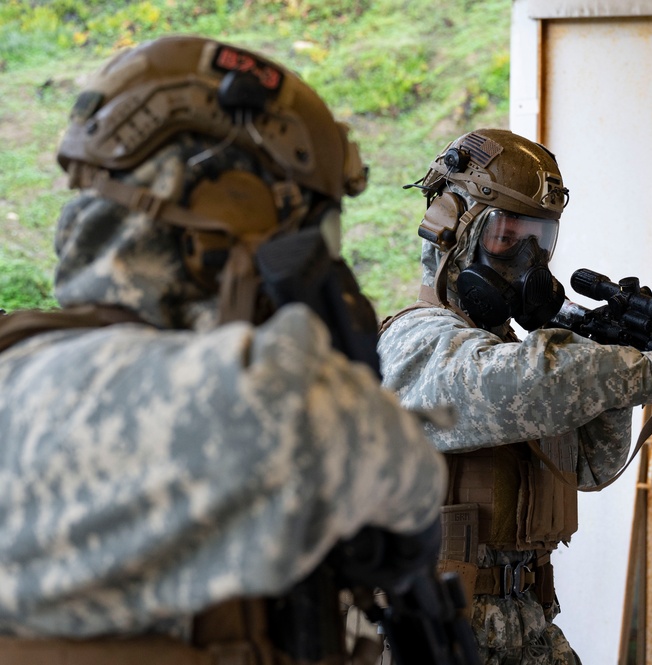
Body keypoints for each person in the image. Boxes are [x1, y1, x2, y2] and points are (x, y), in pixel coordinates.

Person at [0, 35, 448, 664]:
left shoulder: (19, 370)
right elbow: (371, 450)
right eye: (310, 232)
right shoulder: (259, 399)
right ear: (232, 210)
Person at [377, 127, 652, 664]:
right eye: (506, 237)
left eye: (540, 241)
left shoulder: (523, 358)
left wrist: (606, 354)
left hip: (524, 622)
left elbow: (592, 465)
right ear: (452, 230)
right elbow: (529, 383)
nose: (528, 261)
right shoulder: (415, 344)